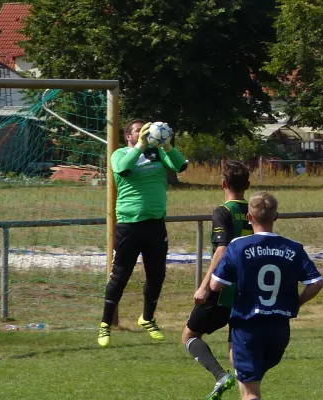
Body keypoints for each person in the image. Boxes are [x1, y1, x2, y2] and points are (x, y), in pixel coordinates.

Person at [210, 192, 323, 400]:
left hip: (249, 328)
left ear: (249, 218)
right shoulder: (293, 248)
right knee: (248, 385)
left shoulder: (238, 246)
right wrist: (296, 302)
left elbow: (216, 284)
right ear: (276, 217)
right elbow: (316, 283)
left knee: (250, 393)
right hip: (279, 330)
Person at [98, 119, 187, 347]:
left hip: (155, 224)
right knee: (120, 276)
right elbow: (122, 169)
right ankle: (105, 324)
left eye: (146, 131)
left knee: (156, 275)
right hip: (129, 225)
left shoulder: (157, 154)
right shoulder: (120, 154)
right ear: (128, 136)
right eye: (139, 131)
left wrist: (166, 146)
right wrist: (139, 146)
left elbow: (180, 166)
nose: (144, 135)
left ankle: (147, 318)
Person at [182, 161, 252, 400]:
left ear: (223, 183)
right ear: (248, 185)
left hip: (223, 287)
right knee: (235, 344)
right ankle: (249, 393)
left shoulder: (223, 211)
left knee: (189, 335)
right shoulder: (254, 210)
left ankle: (221, 376)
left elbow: (221, 251)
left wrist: (203, 286)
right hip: (247, 287)